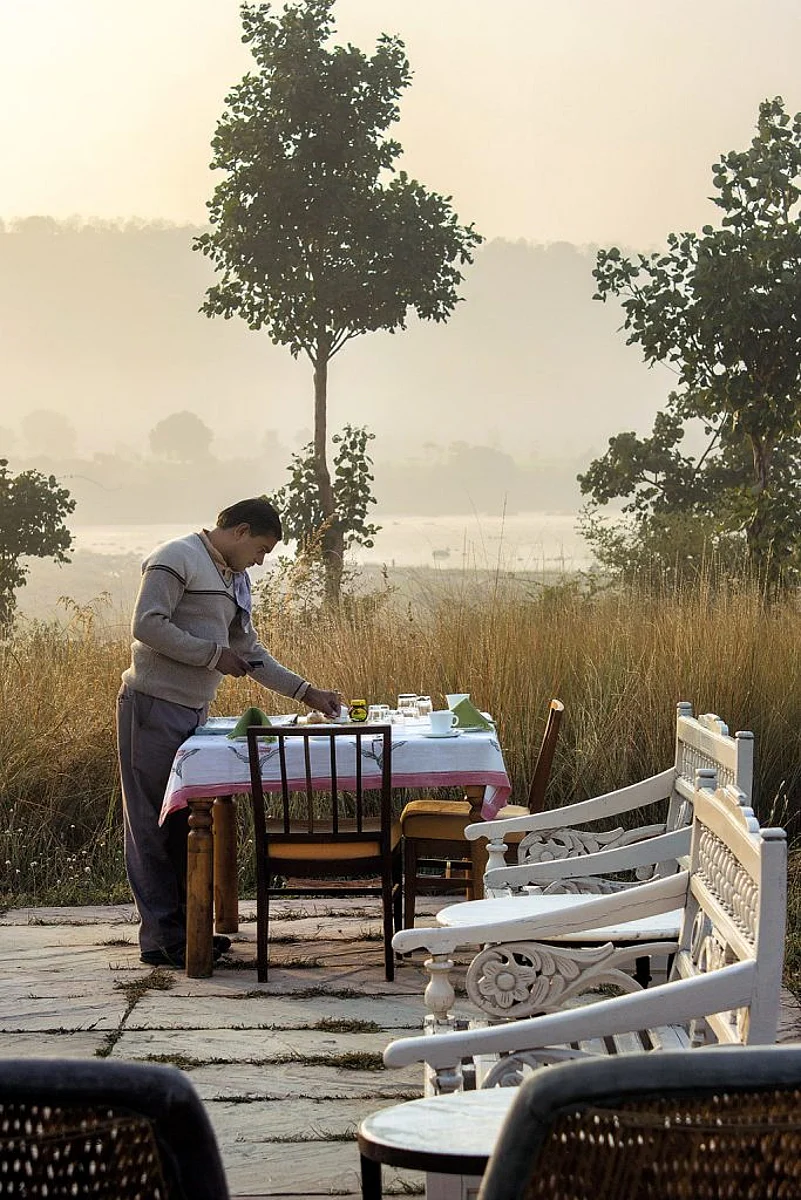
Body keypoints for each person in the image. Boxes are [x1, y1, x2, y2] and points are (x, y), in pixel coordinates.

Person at [116, 497, 340, 968]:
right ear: (239, 531)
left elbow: (250, 652)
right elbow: (147, 624)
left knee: (183, 823)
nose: (260, 560)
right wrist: (211, 655)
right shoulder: (176, 556)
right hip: (152, 706)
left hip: (193, 710)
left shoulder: (233, 577)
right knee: (153, 825)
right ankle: (161, 940)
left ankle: (189, 932)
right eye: (260, 549)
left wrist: (307, 693)